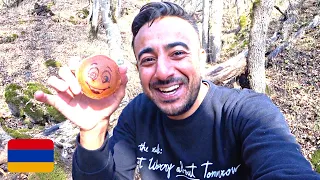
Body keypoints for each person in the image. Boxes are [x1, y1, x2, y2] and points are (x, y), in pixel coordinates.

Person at [34, 1, 320, 179]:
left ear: (203, 58)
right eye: (148, 59)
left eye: (178, 53)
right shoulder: (138, 115)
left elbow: (286, 168)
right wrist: (93, 131)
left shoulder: (247, 113)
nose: (163, 71)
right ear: (137, 70)